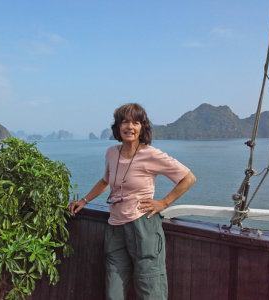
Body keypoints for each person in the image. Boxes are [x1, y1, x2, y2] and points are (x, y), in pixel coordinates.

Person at [69, 103, 196, 300]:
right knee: (114, 289)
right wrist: (84, 200)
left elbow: (188, 178)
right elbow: (105, 181)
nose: (130, 127)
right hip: (114, 228)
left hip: (142, 227)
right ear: (118, 127)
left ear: (142, 128)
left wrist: (164, 203)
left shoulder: (151, 154)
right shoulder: (112, 152)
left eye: (136, 122)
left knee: (150, 287)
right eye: (125, 121)